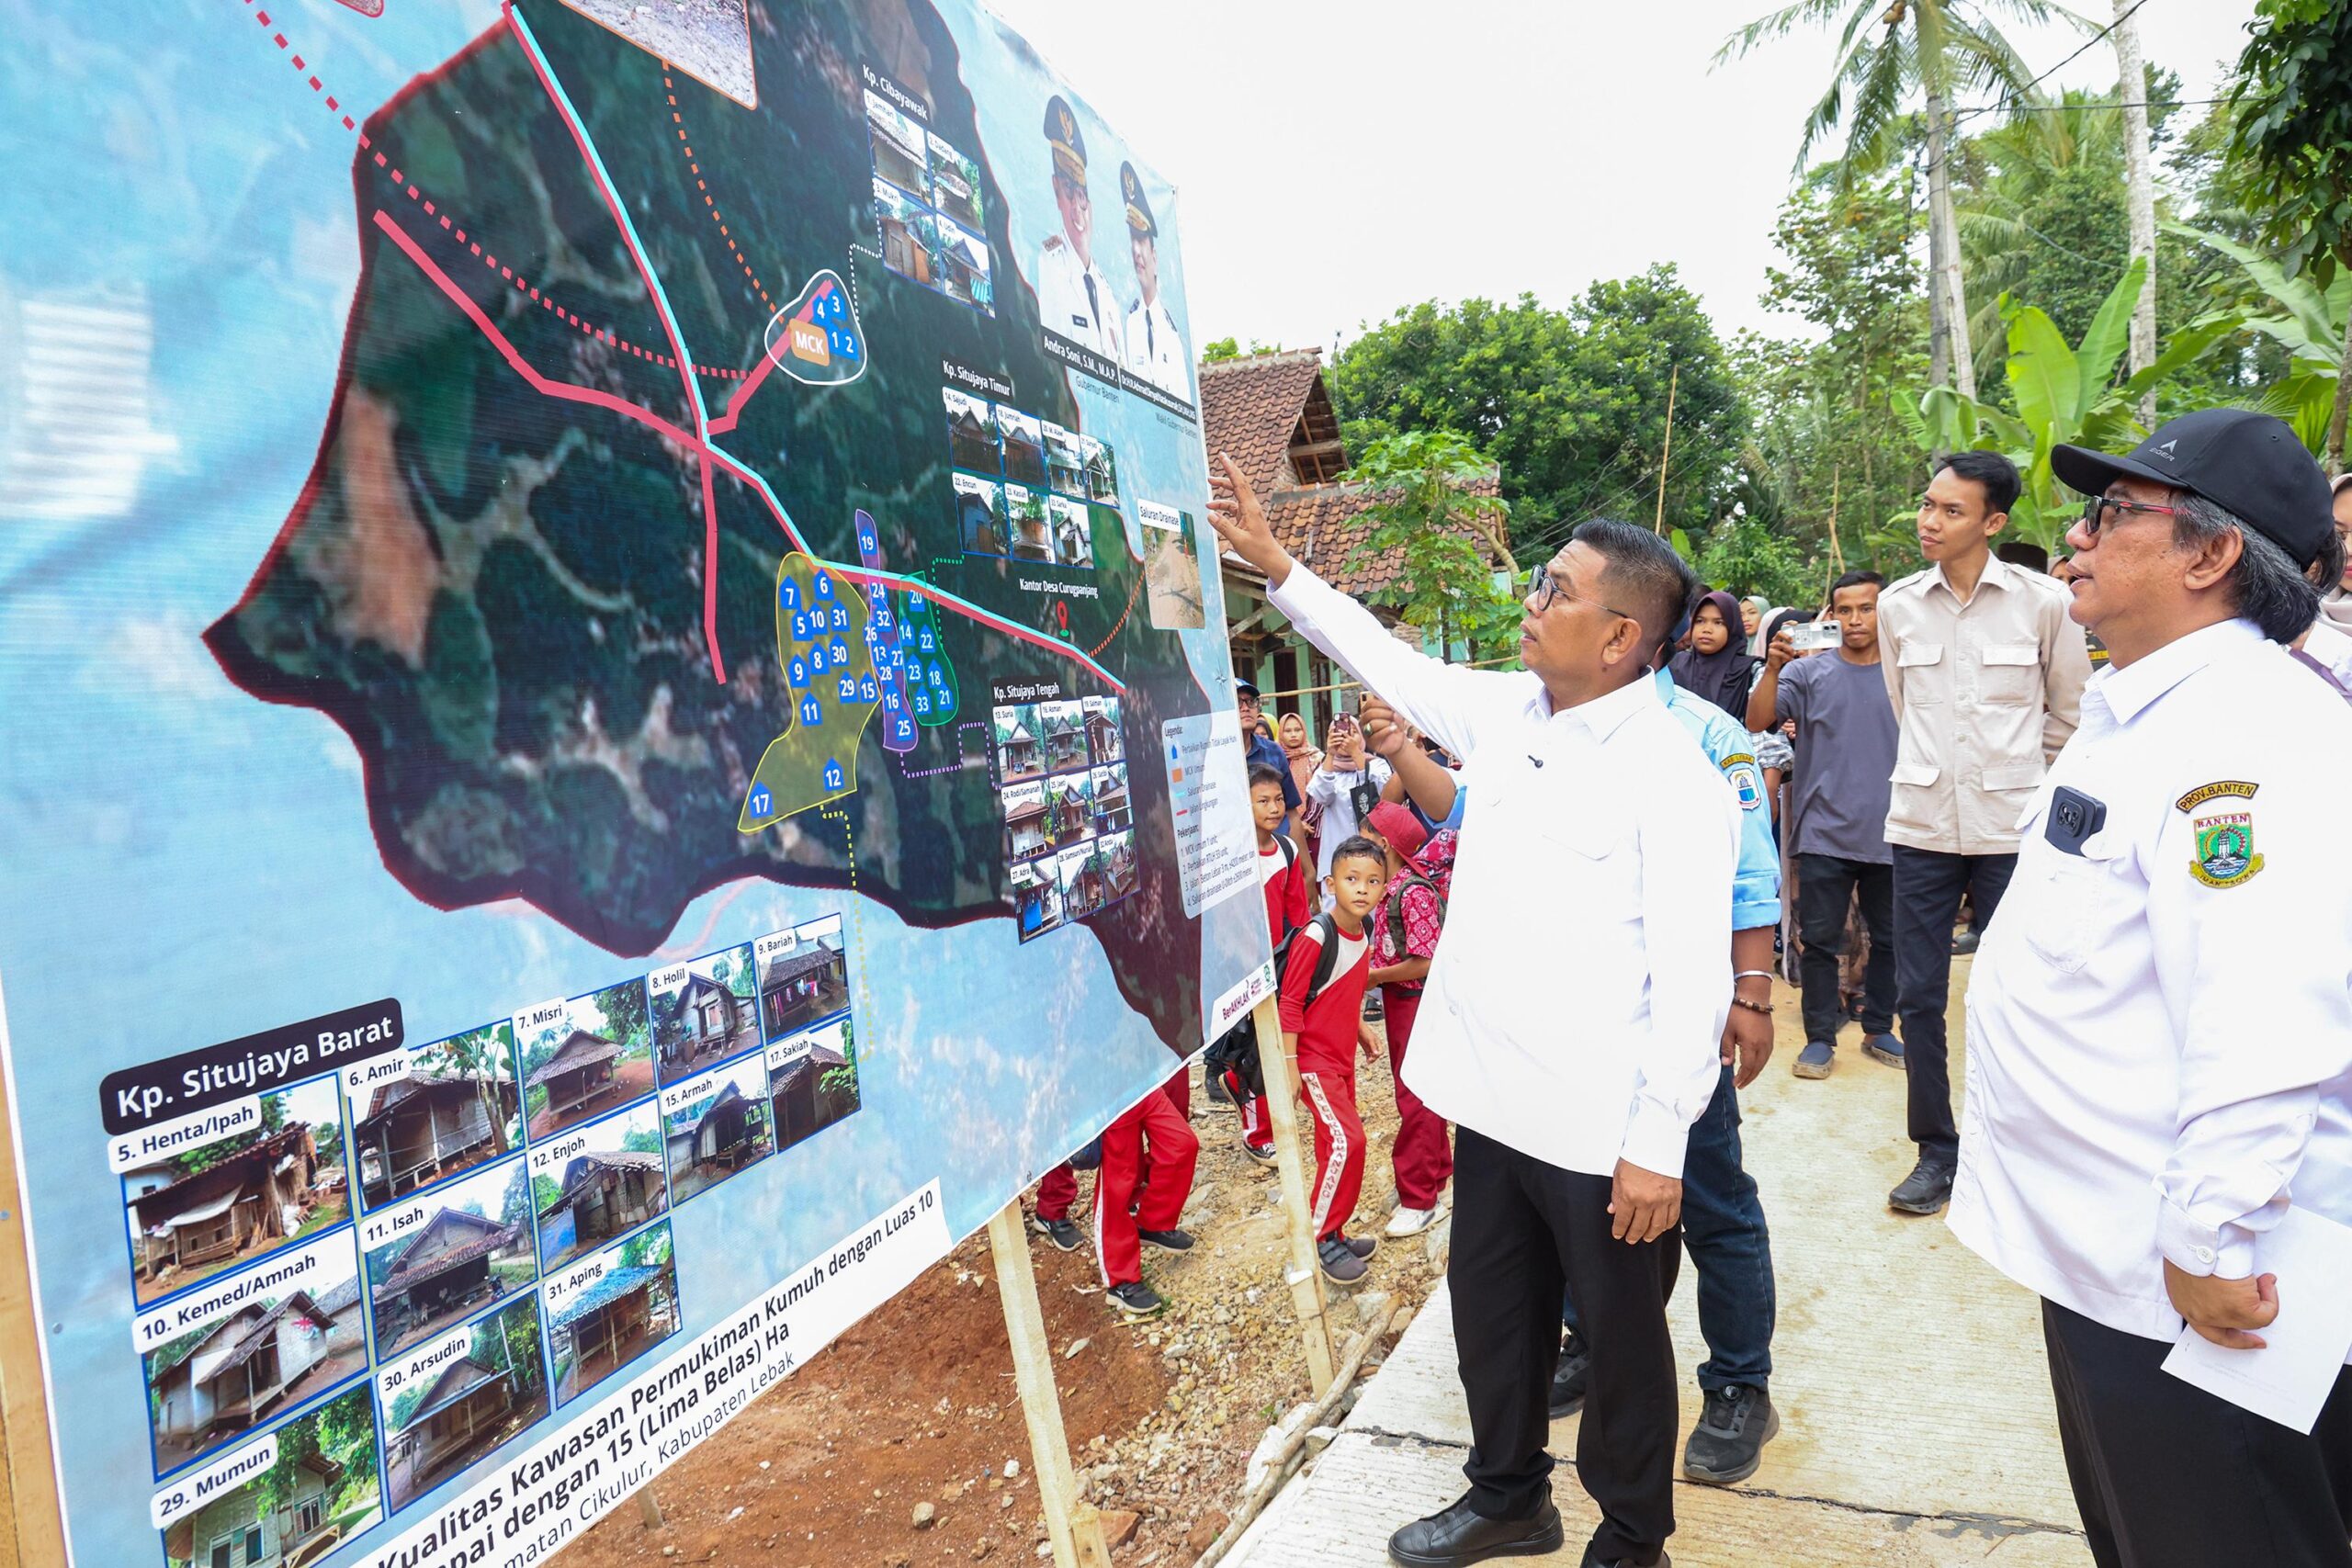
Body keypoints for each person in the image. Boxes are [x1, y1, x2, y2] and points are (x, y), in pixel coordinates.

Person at [1210, 453, 1736, 1568]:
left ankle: (1631, 1539)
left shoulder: (1673, 777)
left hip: (1598, 1131)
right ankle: (1507, 1498)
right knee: (1493, 1318)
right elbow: (1385, 657)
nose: (1530, 603)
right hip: (1490, 1102)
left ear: (1619, 638)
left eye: (1554, 591)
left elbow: (1694, 979)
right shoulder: (1510, 712)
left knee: (1623, 1353)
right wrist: (1277, 565)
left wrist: (1658, 1145)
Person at [1946, 409, 2352, 1568]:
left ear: (2210, 554)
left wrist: (2211, 1241)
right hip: (2106, 1253)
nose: (2075, 536)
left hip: (2192, 1282)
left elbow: (2264, 1013)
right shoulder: (2147, 705)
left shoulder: (2251, 734)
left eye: (2114, 512)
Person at [1878, 450, 2091, 1217]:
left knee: (2020, 993)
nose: (1929, 521)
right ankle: (1936, 1149)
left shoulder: (2046, 603)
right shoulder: (1898, 606)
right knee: (1917, 995)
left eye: (1951, 510)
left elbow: (2071, 713)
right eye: (1927, 505)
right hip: (1922, 825)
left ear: (1993, 521)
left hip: (2012, 830)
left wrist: (2021, 780)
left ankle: (2014, 1149)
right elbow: (1905, 708)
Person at [1748, 572, 1900, 1079]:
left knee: (1891, 938)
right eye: (1844, 610)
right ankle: (1819, 1037)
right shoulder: (1805, 673)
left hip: (1894, 829)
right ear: (1830, 616)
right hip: (1822, 832)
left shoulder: (1907, 672)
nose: (1855, 620)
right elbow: (1756, 721)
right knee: (1818, 940)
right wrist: (1773, 668)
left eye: (1866, 608)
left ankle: (1879, 1027)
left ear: (1885, 612)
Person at [1278, 834, 1387, 1283]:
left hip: (1341, 1059)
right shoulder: (1316, 935)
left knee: (1333, 1145)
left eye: (1373, 881)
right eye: (1351, 878)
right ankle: (1320, 1238)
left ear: (1384, 887)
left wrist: (1360, 1029)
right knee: (1349, 1141)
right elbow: (1290, 1003)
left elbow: (1343, 987)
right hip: (1314, 1061)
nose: (1362, 889)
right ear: (1330, 883)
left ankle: (1336, 1231)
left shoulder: (1364, 930)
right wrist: (1289, 1066)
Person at [1362, 800, 1453, 1238]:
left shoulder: (1410, 892)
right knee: (1420, 1089)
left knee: (1414, 1094)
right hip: (1404, 1000)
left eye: (1365, 837)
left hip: (1413, 1001)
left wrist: (1374, 976)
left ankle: (1420, 1199)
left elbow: (1425, 961)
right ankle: (1438, 1176)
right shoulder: (1394, 888)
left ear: (1383, 844)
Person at [1215, 762, 1312, 1161]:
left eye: (1278, 799)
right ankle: (1257, 1134)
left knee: (1272, 1041)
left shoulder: (1286, 849)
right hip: (1241, 966)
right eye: (1262, 801)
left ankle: (1237, 1081)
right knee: (1257, 1048)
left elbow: (1298, 913)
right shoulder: (1231, 854)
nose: (1273, 808)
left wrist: (1305, 956)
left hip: (1276, 962)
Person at [1091, 1082, 1200, 1317]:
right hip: (1108, 1094)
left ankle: (1153, 1224)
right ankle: (1121, 1280)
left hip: (1141, 1081)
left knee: (1182, 1144)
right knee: (1116, 1185)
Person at [1034, 96, 1121, 359]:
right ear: (1056, 191)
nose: (1076, 207)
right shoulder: (1050, 264)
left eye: (1082, 194)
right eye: (1068, 190)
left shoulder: (1106, 291)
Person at [1118, 161, 1187, 397]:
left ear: (1154, 256)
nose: (1136, 251)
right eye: (1133, 240)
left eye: (1141, 240)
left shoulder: (1172, 337)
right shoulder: (1129, 323)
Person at [1306, 712, 1391, 886]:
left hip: (1372, 855)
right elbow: (1322, 795)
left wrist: (1356, 754)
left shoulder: (1376, 764)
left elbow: (1382, 791)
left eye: (1352, 733)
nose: (1345, 738)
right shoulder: (1326, 769)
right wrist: (1330, 754)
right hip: (1336, 856)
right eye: (1338, 733)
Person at [1668, 590, 1759, 719]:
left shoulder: (1750, 670)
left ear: (1732, 628)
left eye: (1718, 623)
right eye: (1700, 621)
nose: (1707, 629)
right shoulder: (1674, 663)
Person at [2299, 471, 2352, 688]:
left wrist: (2314, 641)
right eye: (2339, 535)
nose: (2348, 549)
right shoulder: (2304, 609)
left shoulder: (2303, 631)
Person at [1237, 680, 1301, 837]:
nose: (1246, 708)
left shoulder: (1274, 751)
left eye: (1251, 701)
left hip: (1276, 847)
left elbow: (1291, 812)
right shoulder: (1213, 758)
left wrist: (1301, 854)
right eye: (1238, 702)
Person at [1277, 710, 1326, 869]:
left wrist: (1304, 822)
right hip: (1285, 828)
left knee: (1315, 870)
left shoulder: (1317, 758)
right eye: (1288, 731)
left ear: (1304, 731)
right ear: (1281, 733)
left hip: (1313, 827)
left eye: (1297, 730)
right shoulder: (1277, 758)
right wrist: (1295, 824)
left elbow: (1319, 794)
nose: (1293, 734)